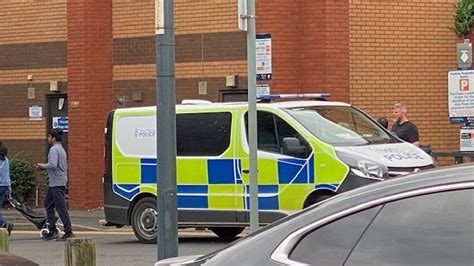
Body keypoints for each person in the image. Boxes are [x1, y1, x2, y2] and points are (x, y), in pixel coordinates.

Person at [37, 129, 74, 241]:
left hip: (57, 182)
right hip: (56, 182)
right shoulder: (61, 149)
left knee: (61, 207)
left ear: (53, 138)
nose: (48, 139)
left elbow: (53, 164)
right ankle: (52, 229)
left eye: (49, 137)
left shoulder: (54, 149)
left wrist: (42, 166)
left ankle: (68, 231)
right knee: (48, 203)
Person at [0, 141, 14, 235]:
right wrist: (9, 189)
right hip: (4, 186)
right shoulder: (6, 160)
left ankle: (4, 224)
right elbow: (7, 175)